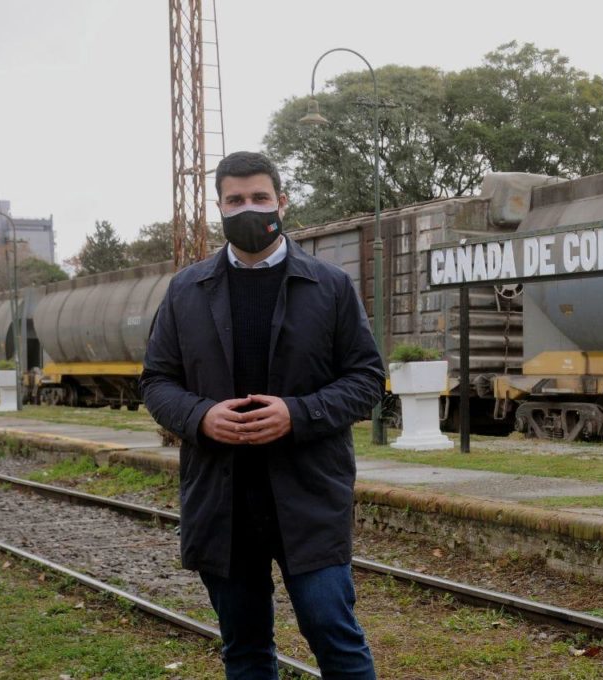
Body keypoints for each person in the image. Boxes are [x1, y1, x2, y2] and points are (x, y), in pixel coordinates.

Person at [141, 151, 383, 679]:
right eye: (235, 200)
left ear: (282, 202)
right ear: (219, 208)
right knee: (245, 649)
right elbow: (156, 381)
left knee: (334, 636)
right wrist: (201, 417)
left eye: (259, 197)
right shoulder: (186, 289)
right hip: (221, 500)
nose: (248, 209)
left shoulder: (330, 286)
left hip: (309, 496)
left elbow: (367, 379)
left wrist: (298, 414)